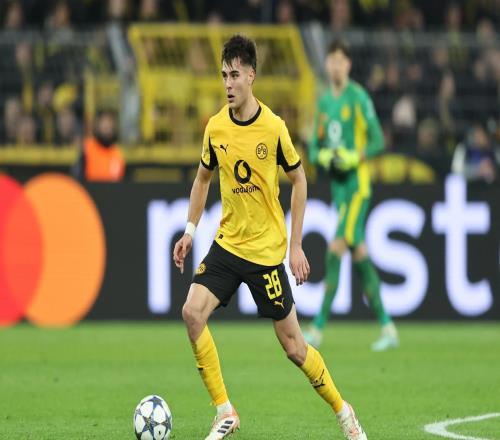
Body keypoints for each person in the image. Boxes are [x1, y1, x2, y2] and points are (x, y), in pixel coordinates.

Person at [173, 34, 367, 440]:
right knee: (192, 313)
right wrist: (190, 230)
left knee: (295, 348)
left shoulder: (274, 128)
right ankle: (225, 412)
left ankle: (344, 411)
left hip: (265, 255)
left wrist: (295, 246)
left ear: (252, 76)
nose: (228, 84)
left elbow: (300, 180)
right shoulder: (215, 127)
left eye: (235, 75)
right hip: (228, 245)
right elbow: (202, 178)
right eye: (223, 75)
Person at [304, 39, 398, 352]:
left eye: (340, 60)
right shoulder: (323, 103)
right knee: (360, 258)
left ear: (348, 65)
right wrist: (323, 157)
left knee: (334, 251)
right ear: (327, 65)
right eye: (331, 60)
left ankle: (317, 329)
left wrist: (354, 157)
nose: (336, 65)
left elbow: (378, 141)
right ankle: (388, 327)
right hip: (338, 189)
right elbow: (314, 147)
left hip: (358, 187)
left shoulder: (358, 97)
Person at [73, 110, 125, 182]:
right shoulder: (87, 148)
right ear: (98, 126)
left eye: (109, 124)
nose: (107, 127)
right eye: (104, 124)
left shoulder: (117, 154)